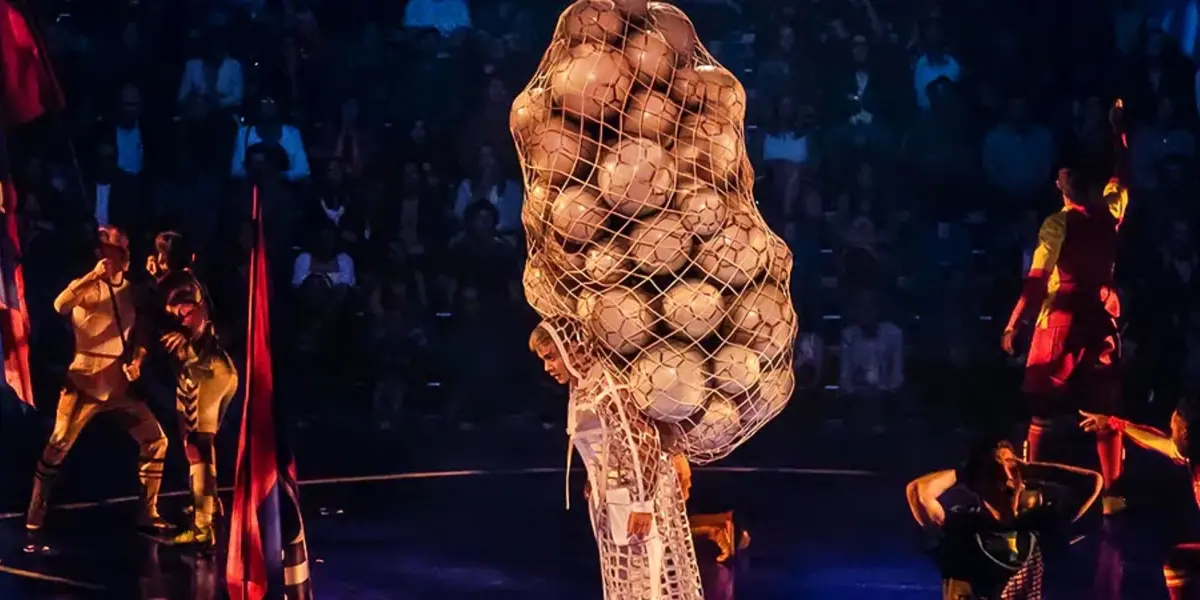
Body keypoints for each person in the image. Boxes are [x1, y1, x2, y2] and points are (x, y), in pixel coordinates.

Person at [1001, 99, 1129, 514]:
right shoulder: (1110, 212)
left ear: (1062, 182)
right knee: (1104, 410)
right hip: (1101, 317)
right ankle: (1112, 493)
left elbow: (1037, 281)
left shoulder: (1058, 224)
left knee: (1043, 410)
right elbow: (1121, 177)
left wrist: (1014, 324)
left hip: (1062, 320)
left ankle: (1033, 486)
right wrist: (1118, 134)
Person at [529, 316, 703, 600]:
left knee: (645, 582)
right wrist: (594, 479)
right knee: (625, 582)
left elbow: (642, 441)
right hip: (613, 498)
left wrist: (642, 503)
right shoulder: (584, 384)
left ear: (571, 348)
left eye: (551, 358)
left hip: (634, 499)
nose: (548, 367)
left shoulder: (607, 387)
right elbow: (605, 443)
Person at [25, 226, 170, 533]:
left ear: (123, 257)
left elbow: (141, 333)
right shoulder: (86, 287)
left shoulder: (132, 292)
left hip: (118, 383)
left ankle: (149, 510)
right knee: (59, 442)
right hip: (85, 381)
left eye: (111, 252)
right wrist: (92, 276)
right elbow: (60, 305)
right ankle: (36, 509)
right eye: (101, 251)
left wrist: (138, 361)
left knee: (156, 440)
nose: (104, 257)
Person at [906, 439, 1103, 599]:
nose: (1005, 475)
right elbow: (918, 492)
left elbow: (1091, 482)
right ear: (976, 484)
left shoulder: (1036, 526)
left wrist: (1028, 469)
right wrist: (963, 473)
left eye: (1011, 467)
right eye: (994, 470)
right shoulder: (961, 528)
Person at [146, 231, 239, 547]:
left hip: (200, 372)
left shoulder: (177, 287)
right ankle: (210, 507)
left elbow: (189, 312)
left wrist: (189, 337)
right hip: (221, 369)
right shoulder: (188, 280)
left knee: (196, 448)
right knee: (203, 445)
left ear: (161, 258)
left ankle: (202, 528)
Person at [1080, 400, 1200, 600]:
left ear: (1185, 433)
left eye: (1173, 429)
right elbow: (1163, 443)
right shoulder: (1194, 452)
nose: (1170, 435)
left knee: (1179, 560)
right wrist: (1115, 423)